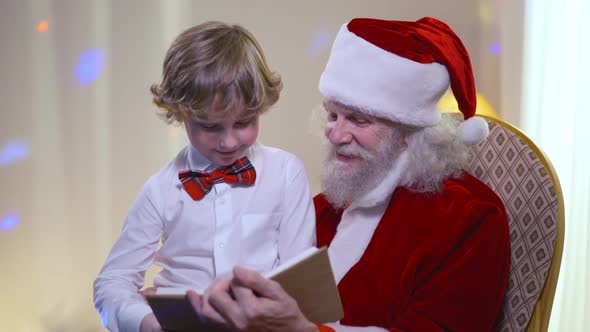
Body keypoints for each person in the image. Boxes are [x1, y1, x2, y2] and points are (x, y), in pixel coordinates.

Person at [192, 17, 511, 332]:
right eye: (333, 115)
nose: (336, 134)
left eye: (358, 120)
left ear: (408, 133)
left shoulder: (470, 218)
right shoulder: (326, 205)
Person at [93, 21, 316, 332]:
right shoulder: (160, 190)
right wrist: (146, 323)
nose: (228, 142)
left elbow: (300, 279)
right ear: (180, 114)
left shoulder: (287, 173)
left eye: (244, 122)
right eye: (210, 127)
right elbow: (112, 281)